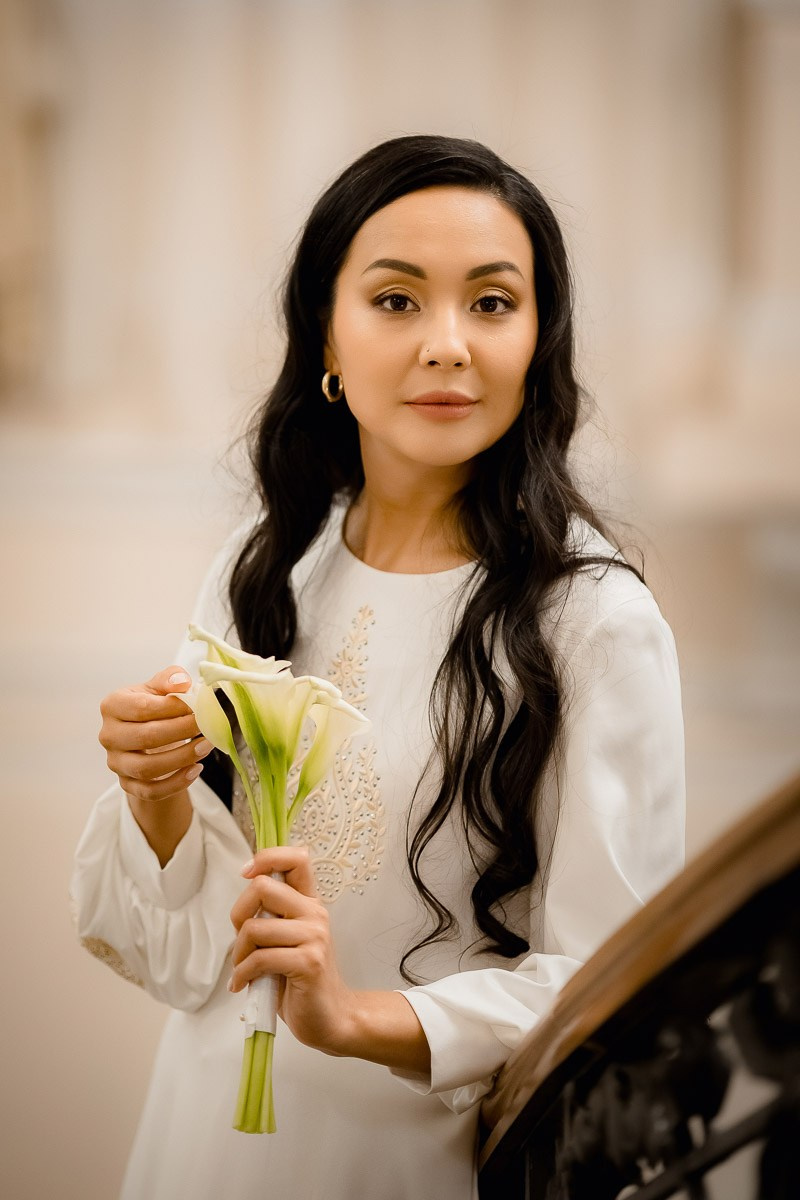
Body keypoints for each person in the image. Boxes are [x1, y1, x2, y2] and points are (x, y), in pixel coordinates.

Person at [71, 134, 685, 1199]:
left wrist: (356, 1017)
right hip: (199, 1136)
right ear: (326, 332)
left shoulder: (591, 620)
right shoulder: (268, 568)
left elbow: (609, 988)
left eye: (490, 304)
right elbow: (181, 963)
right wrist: (155, 794)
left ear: (538, 337)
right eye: (396, 301)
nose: (446, 345)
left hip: (398, 1162)